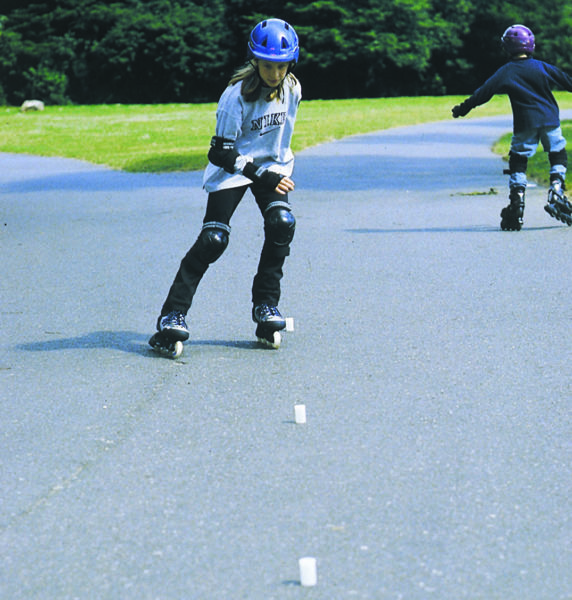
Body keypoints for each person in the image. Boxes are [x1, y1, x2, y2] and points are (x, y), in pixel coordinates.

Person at [152, 18, 301, 352]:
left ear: (291, 62)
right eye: (267, 66)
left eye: (281, 66)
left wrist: (273, 169)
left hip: (270, 166)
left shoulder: (293, 89)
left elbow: (281, 139)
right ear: (255, 61)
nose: (274, 74)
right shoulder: (235, 97)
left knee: (282, 223)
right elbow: (220, 152)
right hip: (234, 169)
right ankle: (171, 315)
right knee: (213, 239)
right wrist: (261, 175)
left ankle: (266, 306)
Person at [452, 24, 572, 230]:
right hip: (550, 120)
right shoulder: (542, 67)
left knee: (518, 159)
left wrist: (462, 108)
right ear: (531, 45)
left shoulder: (505, 72)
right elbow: (567, 81)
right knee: (557, 152)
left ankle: (517, 199)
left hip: (525, 123)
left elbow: (483, 93)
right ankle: (557, 189)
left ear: (507, 47)